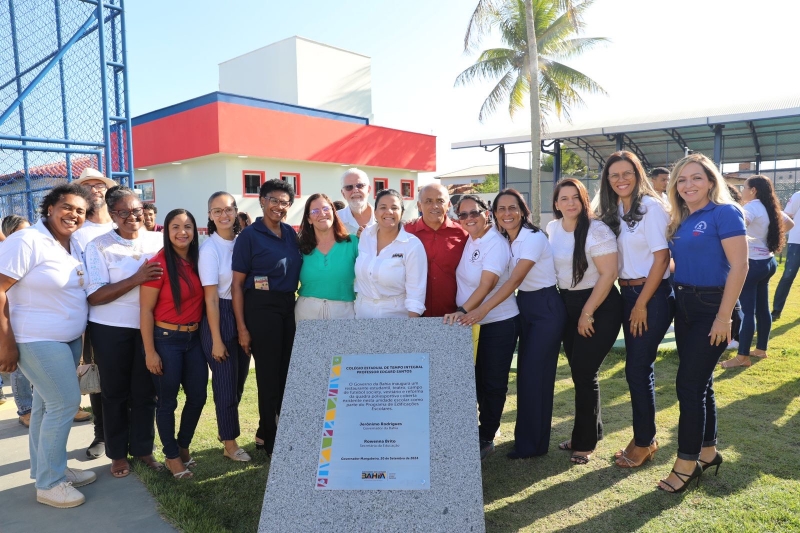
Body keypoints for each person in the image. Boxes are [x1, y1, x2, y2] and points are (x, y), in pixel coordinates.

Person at [0, 183, 97, 508]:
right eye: (67, 207)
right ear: (50, 208)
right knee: (65, 403)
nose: (73, 215)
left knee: (45, 407)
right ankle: (50, 484)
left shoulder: (72, 244)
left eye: (80, 210)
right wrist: (5, 343)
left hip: (66, 339)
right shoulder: (27, 240)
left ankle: (49, 469)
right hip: (35, 338)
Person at [658, 153, 747, 493]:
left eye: (696, 177)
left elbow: (740, 266)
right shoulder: (680, 219)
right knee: (702, 383)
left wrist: (724, 317)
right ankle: (708, 453)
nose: (688, 185)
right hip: (684, 305)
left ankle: (686, 464)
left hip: (713, 307)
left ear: (711, 181)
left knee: (689, 385)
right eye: (681, 179)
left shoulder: (724, 212)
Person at [458, 190, 566, 459]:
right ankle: (527, 441)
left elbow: (513, 280)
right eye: (501, 209)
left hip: (543, 305)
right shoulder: (508, 237)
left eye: (512, 208)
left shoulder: (532, 238)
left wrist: (479, 310)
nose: (507, 213)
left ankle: (531, 445)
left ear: (523, 210)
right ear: (494, 213)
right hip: (526, 305)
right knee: (527, 378)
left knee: (534, 378)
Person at [596, 150, 673, 469]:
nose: (621, 179)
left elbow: (662, 258)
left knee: (637, 369)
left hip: (649, 296)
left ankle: (645, 441)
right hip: (629, 293)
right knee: (638, 369)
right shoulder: (616, 209)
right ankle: (644, 437)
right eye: (614, 175)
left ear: (638, 174)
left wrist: (641, 303)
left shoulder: (650, 207)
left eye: (627, 173)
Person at [84, 186, 164, 478]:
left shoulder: (157, 240)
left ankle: (143, 448)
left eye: (137, 210)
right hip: (110, 329)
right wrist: (137, 278)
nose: (132, 216)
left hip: (149, 327)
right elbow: (95, 296)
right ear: (112, 214)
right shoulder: (98, 246)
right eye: (123, 212)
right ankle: (117, 454)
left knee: (146, 392)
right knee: (115, 393)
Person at [546, 179, 622, 464]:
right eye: (563, 198)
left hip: (599, 305)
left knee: (584, 371)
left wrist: (587, 313)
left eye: (575, 197)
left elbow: (609, 274)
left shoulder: (597, 230)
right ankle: (592, 430)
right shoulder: (553, 228)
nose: (570, 203)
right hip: (567, 303)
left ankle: (584, 442)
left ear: (584, 200)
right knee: (581, 372)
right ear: (556, 204)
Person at [443, 195, 520, 460]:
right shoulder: (471, 238)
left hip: (498, 323)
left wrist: (463, 310)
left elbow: (487, 285)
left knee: (493, 383)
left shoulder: (495, 243)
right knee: (475, 381)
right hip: (473, 324)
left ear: (486, 213)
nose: (468, 218)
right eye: (462, 214)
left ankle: (486, 436)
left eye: (474, 212)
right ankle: (479, 430)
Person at [232, 179, 302, 455]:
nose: (279, 206)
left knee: (287, 373)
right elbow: (237, 285)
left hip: (287, 305)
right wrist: (242, 328)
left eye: (285, 202)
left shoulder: (290, 233)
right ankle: (271, 441)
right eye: (273, 200)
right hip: (260, 308)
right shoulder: (249, 236)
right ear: (262, 201)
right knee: (268, 375)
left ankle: (267, 432)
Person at [140, 209, 206, 479]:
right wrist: (150, 352)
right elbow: (145, 311)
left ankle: (183, 446)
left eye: (188, 226)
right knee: (167, 402)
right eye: (175, 227)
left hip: (193, 339)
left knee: (198, 396)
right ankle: (171, 456)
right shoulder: (158, 264)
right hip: (165, 340)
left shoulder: (198, 261)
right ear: (166, 231)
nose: (182, 232)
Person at [199, 192, 251, 462]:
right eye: (217, 211)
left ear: (236, 211)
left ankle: (226, 432)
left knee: (238, 382)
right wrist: (216, 339)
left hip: (243, 313)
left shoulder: (243, 241)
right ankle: (230, 444)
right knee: (225, 384)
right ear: (210, 215)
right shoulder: (210, 249)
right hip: (219, 315)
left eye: (228, 209)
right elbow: (210, 297)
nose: (223, 215)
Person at [721, 176, 793, 368]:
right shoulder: (770, 207)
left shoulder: (751, 208)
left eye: (744, 187)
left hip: (753, 265)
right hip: (767, 262)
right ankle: (760, 349)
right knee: (762, 309)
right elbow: (789, 223)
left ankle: (742, 356)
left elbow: (737, 226)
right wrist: (765, 239)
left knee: (747, 312)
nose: (742, 191)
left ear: (753, 190)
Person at [73, 167, 118, 454]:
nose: (94, 189)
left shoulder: (122, 221)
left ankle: (133, 433)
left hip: (129, 313)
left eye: (99, 185)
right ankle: (101, 435)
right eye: (88, 185)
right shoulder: (76, 231)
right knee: (98, 378)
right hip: (93, 315)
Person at [354, 189, 427, 318]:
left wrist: (411, 325)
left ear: (402, 212)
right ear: (375, 212)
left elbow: (416, 293)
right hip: (362, 314)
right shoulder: (365, 235)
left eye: (394, 208)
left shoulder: (412, 245)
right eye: (383, 207)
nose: (389, 212)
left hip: (396, 317)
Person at [404, 183, 468, 316]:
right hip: (412, 314)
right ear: (419, 205)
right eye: (428, 201)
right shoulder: (406, 232)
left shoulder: (463, 234)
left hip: (453, 315)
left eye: (440, 201)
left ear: (448, 204)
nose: (435, 206)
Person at [296, 193, 359, 320]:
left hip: (344, 313)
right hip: (306, 312)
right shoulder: (300, 246)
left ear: (333, 213)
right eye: (315, 211)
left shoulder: (353, 242)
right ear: (309, 219)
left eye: (326, 208)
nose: (322, 213)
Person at [1, 215, 34, 427]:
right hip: (13, 318)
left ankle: (39, 407)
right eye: (23, 231)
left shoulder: (32, 250)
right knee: (19, 368)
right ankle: (25, 409)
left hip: (33, 317)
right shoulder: (7, 253)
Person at [772, 189, 800, 320]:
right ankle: (776, 310)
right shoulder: (798, 196)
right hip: (797, 242)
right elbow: (786, 216)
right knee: (788, 276)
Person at [337, 168, 375, 237]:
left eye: (360, 186)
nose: (355, 190)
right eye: (349, 187)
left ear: (368, 190)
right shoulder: (335, 220)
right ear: (343, 194)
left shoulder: (383, 218)